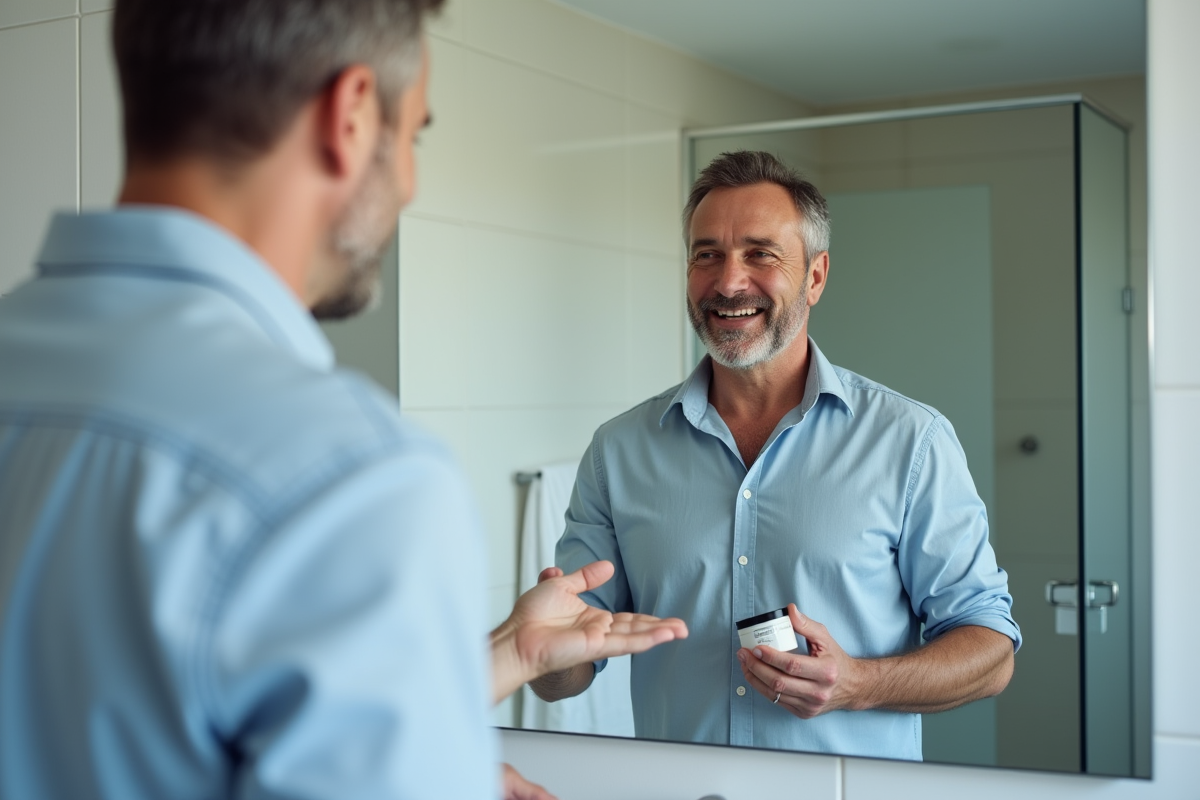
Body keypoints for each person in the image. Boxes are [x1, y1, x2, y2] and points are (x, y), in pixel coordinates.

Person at [0, 2, 686, 799]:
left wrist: (507, 653)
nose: (410, 180)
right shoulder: (348, 474)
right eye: (416, 134)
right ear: (351, 113)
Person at [534, 150, 1021, 761]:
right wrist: (544, 650)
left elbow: (991, 652)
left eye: (760, 253)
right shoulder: (619, 451)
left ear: (816, 276)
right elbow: (566, 670)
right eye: (706, 254)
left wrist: (859, 686)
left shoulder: (910, 442)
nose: (729, 282)